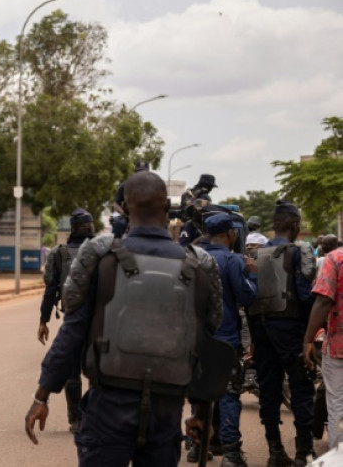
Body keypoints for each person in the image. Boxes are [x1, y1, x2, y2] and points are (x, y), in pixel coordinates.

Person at [25, 171, 227, 466]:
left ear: (124, 207)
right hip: (166, 412)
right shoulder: (199, 265)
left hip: (107, 407)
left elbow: (72, 332)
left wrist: (42, 396)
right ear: (167, 207)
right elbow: (208, 339)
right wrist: (199, 411)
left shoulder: (99, 257)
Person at [247, 200, 317, 466]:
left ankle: (275, 451)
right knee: (301, 387)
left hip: (262, 330)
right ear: (295, 225)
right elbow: (306, 296)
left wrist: (253, 338)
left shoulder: (256, 254)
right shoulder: (301, 251)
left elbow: (249, 299)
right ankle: (303, 452)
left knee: (269, 391)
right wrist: (310, 334)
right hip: (291, 329)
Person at [202, 213, 259, 466]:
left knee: (200, 392)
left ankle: (197, 447)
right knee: (228, 394)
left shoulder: (193, 257)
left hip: (197, 339)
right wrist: (254, 275)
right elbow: (246, 297)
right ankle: (232, 454)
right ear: (229, 234)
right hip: (225, 338)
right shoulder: (232, 260)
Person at [37, 208, 94, 434]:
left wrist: (43, 320)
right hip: (101, 321)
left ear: (72, 228)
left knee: (72, 372)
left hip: (72, 320)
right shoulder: (105, 252)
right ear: (91, 227)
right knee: (100, 372)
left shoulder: (59, 254)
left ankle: (75, 418)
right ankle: (91, 415)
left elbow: (50, 290)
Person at [304, 246, 343, 447]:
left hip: (338, 346)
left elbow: (324, 301)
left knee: (337, 404)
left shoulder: (335, 259)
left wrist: (308, 339)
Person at [179, 173, 216, 246]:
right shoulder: (205, 197)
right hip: (198, 229)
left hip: (183, 227)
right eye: (211, 187)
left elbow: (181, 212)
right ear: (208, 186)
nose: (211, 189)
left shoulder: (186, 194)